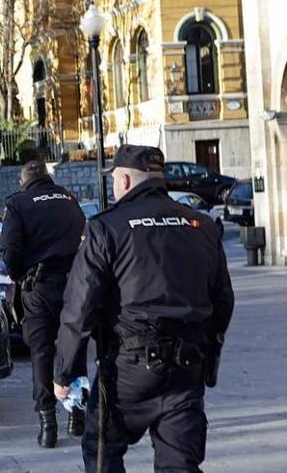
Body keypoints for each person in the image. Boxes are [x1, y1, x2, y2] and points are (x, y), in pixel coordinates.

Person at [54, 145, 234, 473]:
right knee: (180, 464)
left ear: (124, 180)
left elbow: (79, 307)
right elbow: (223, 300)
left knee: (101, 452)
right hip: (186, 366)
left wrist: (65, 372)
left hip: (128, 370)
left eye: (114, 180)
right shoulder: (202, 225)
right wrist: (210, 363)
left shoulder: (106, 227)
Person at [0, 160, 87, 448]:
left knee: (41, 353)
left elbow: (9, 248)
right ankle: (77, 415)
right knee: (73, 347)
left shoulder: (18, 204)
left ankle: (48, 424)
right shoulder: (69, 198)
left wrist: (17, 273)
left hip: (38, 287)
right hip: (74, 285)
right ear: (47, 179)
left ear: (23, 182)